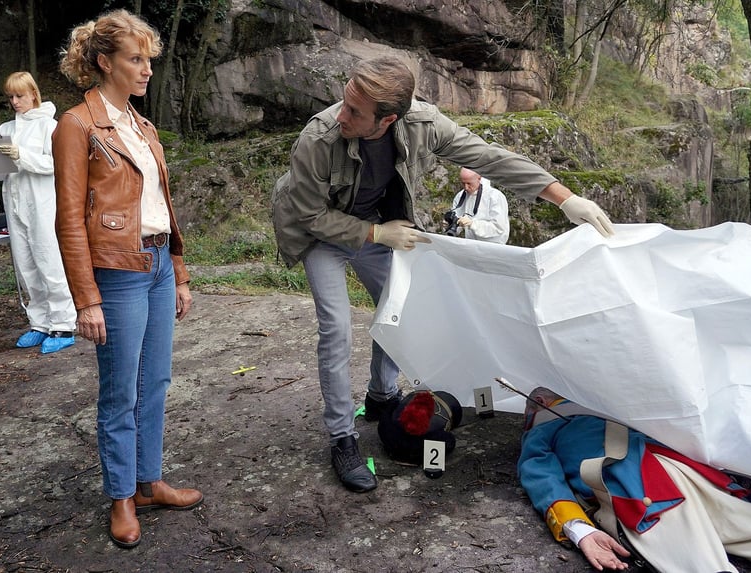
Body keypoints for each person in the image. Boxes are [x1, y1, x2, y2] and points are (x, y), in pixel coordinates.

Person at [271, 56, 615, 494]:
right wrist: (377, 233)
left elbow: (490, 158)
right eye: (344, 102)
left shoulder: (424, 124)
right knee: (336, 329)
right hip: (320, 233)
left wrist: (565, 199)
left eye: (355, 112)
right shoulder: (319, 137)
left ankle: (381, 396)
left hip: (377, 224)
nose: (342, 115)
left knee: (400, 312)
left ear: (388, 119)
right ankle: (342, 437)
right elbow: (308, 214)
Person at [53, 9, 202, 549]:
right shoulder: (76, 126)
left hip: (157, 266)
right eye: (135, 59)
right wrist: (86, 299)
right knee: (120, 391)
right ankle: (120, 496)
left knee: (155, 383)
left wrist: (178, 273)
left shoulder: (143, 127)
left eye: (149, 60)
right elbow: (69, 219)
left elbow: (162, 207)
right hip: (116, 274)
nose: (146, 70)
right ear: (104, 62)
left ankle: (148, 482)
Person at [517, 386, 751, 572]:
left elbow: (539, 473)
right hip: (658, 484)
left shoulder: (571, 419)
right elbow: (541, 475)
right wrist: (582, 531)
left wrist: (580, 529)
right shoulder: (563, 423)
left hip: (661, 483)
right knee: (726, 552)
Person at [0, 71, 77, 354]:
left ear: (33, 94)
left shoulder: (50, 126)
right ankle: (40, 323)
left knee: (49, 261)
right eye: (11, 97)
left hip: (42, 203)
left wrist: (22, 156)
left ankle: (64, 323)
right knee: (26, 265)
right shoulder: (5, 128)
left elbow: (56, 165)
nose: (15, 102)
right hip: (14, 202)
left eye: (20, 95)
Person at [449, 167, 509, 244]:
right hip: (471, 245)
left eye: (469, 183)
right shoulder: (461, 196)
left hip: (493, 247)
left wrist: (473, 224)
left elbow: (498, 228)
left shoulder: (495, 196)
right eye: (463, 183)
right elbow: (456, 224)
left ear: (479, 178)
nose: (466, 187)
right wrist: (450, 224)